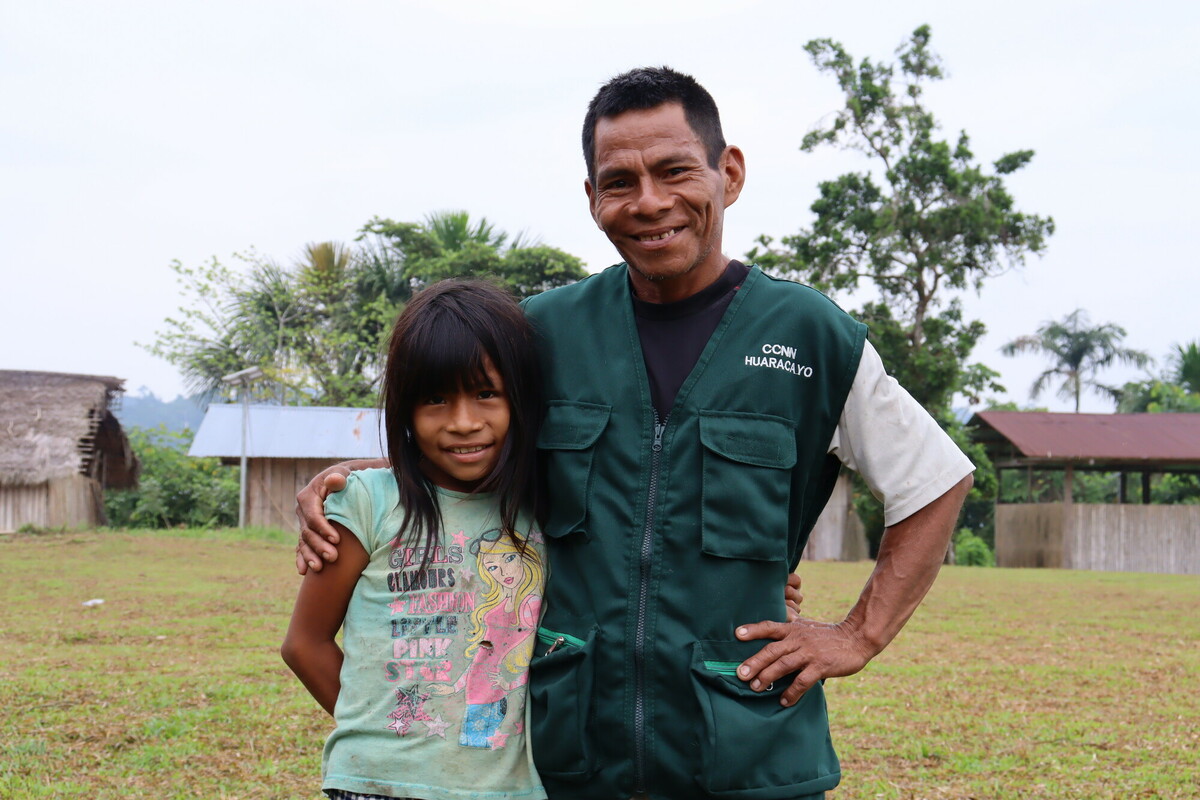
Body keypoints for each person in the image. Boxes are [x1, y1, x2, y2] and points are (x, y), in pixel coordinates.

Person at [297, 67, 974, 800]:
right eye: (620, 181)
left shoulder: (811, 338)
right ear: (592, 199)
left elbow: (934, 479)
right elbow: (467, 439)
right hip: (571, 751)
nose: (650, 203)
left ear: (730, 173)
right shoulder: (543, 332)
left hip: (747, 749)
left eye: (676, 170)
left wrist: (857, 634)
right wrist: (359, 479)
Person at [281, 279, 548, 800]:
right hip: (377, 784)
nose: (464, 423)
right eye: (435, 400)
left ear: (520, 396)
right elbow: (304, 644)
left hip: (509, 789)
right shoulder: (366, 501)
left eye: (486, 393)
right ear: (404, 409)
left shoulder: (542, 506)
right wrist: (386, 737)